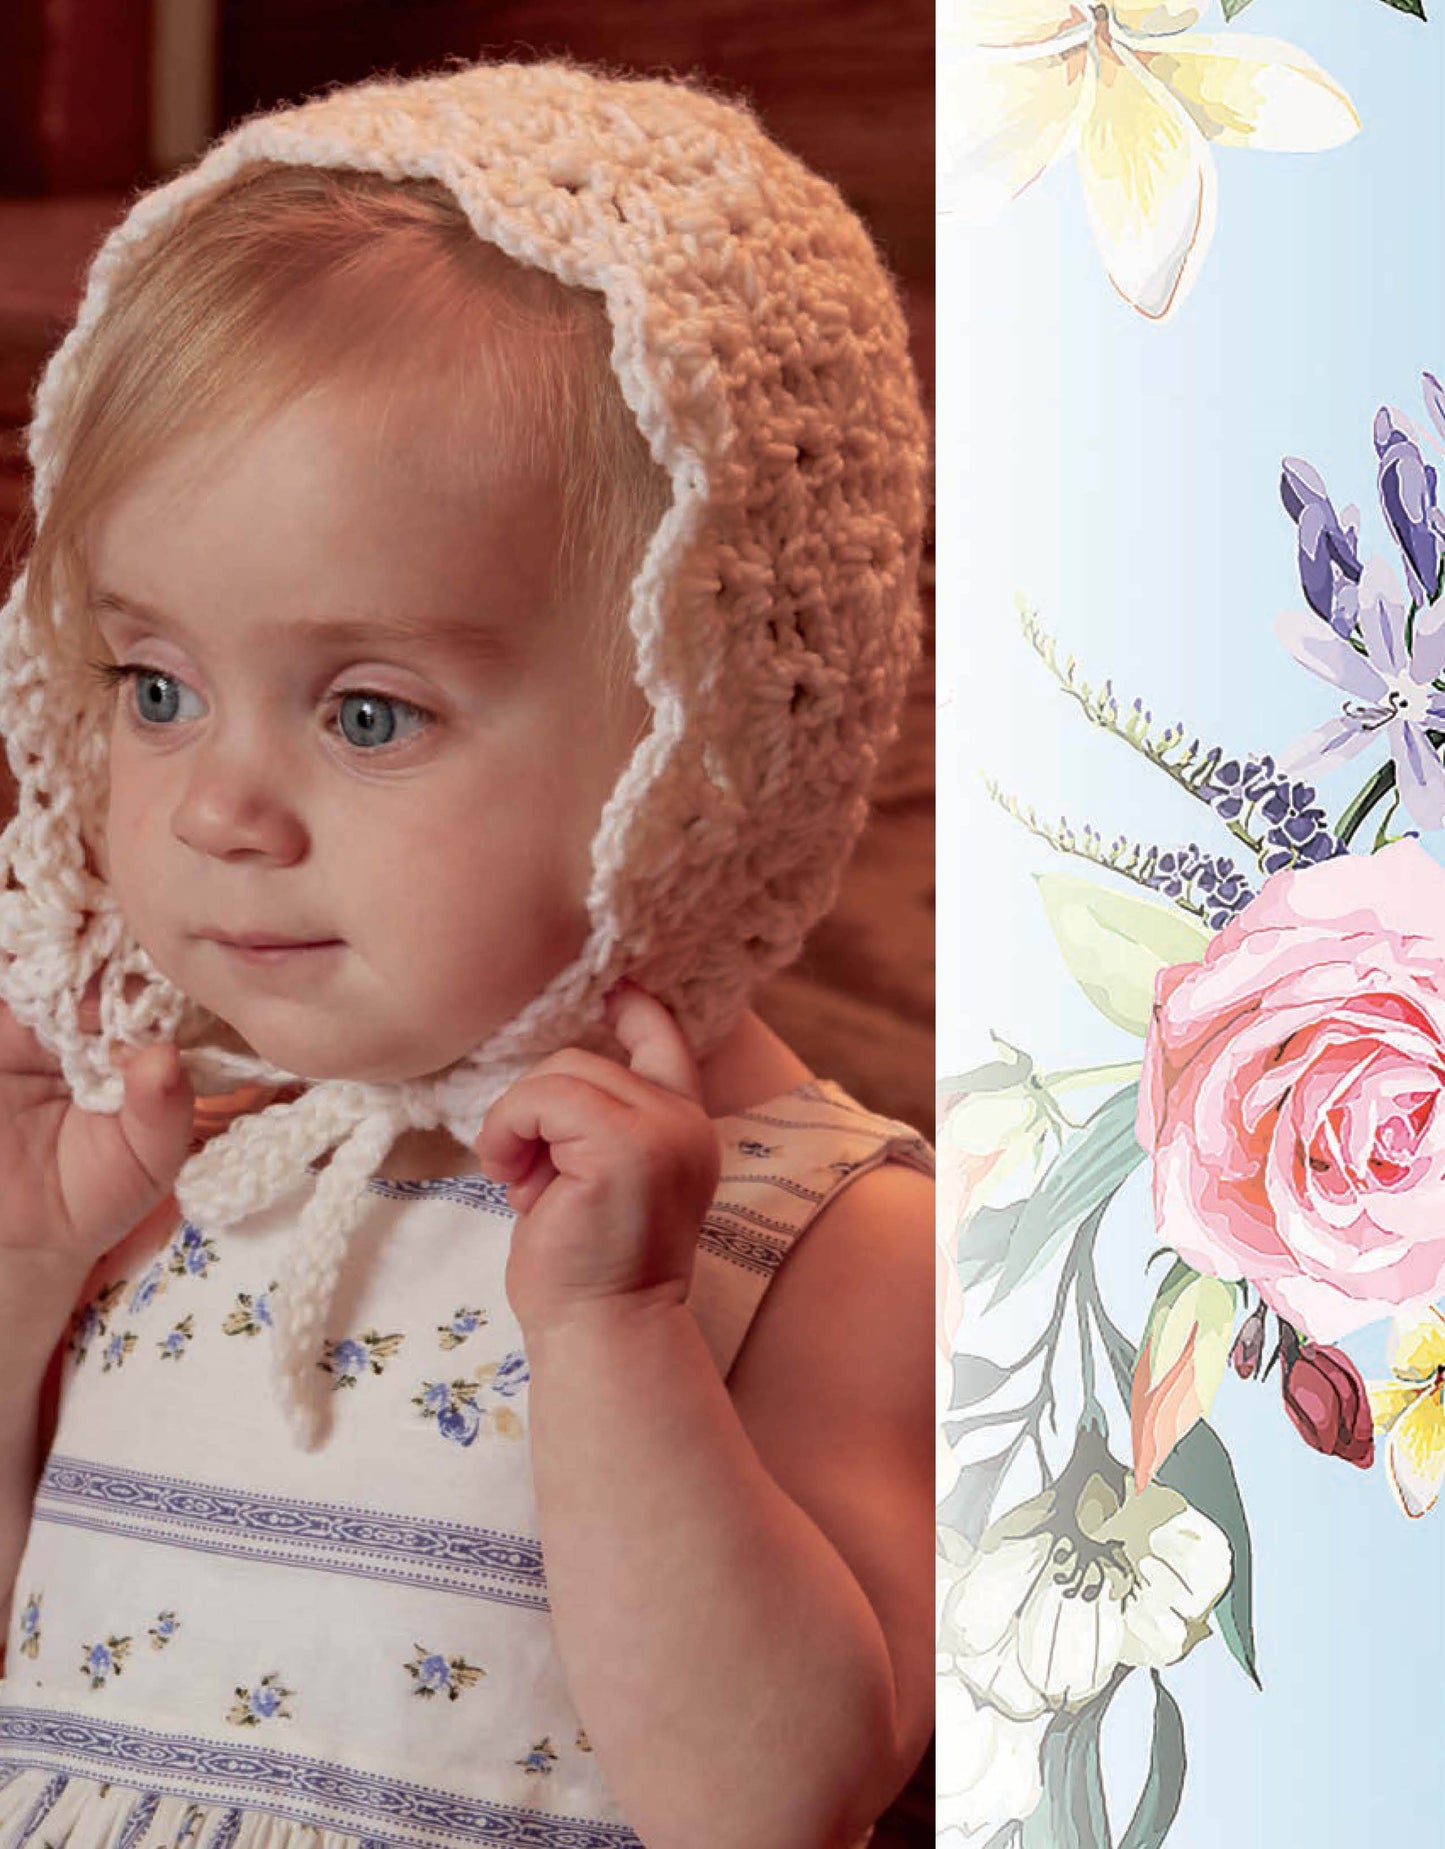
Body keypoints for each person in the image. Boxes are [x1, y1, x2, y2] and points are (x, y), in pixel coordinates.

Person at [0, 57, 933, 1849]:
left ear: (714, 738)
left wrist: (613, 1332)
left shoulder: (820, 1228)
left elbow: (774, 1800)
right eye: (157, 687)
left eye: (364, 711)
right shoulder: (181, 1160)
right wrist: (28, 1288)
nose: (214, 812)